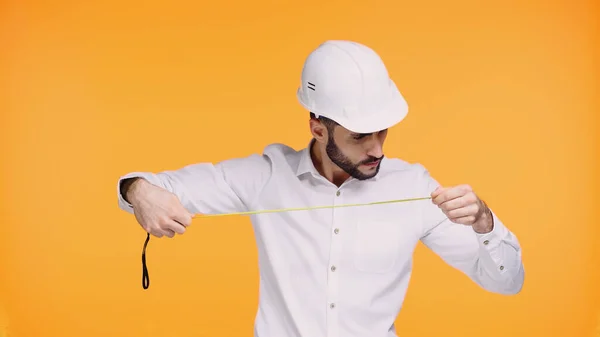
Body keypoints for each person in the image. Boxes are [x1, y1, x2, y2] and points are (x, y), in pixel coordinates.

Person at [116, 40, 524, 337]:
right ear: (317, 129)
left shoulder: (415, 188)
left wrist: (485, 224)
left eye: (382, 132)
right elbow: (152, 185)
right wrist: (138, 192)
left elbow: (506, 283)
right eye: (360, 136)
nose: (377, 149)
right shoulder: (265, 177)